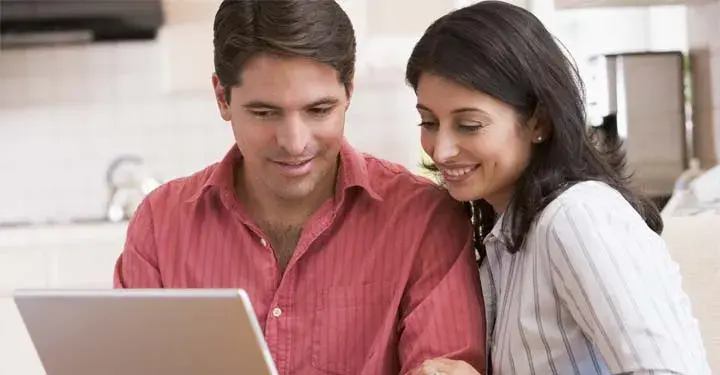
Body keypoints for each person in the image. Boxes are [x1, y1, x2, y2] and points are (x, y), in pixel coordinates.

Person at [113, 1, 486, 374]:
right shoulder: (160, 225)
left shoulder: (424, 220)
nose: (294, 142)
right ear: (222, 98)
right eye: (265, 113)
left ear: (349, 92)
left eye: (318, 110)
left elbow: (444, 365)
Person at [406, 2, 711, 375]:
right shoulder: (506, 233)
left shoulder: (578, 217)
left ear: (539, 121)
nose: (442, 150)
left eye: (469, 125)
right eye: (429, 122)